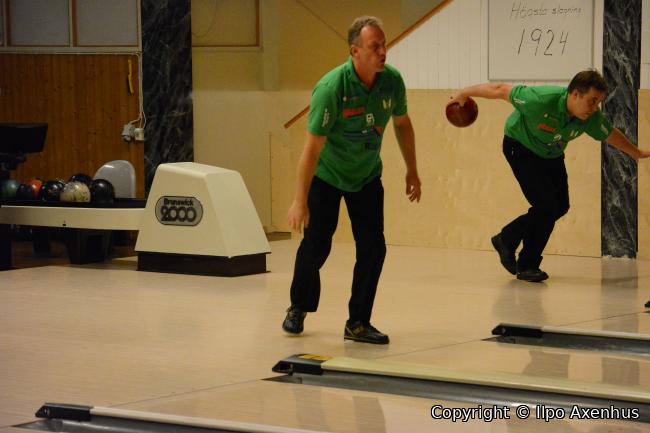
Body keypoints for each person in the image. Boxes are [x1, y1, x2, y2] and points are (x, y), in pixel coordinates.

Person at [282, 16, 421, 344]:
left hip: (367, 176)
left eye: (384, 45)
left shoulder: (392, 82)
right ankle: (298, 306)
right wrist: (300, 201)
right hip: (327, 176)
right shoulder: (332, 88)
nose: (383, 52)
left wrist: (412, 170)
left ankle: (358, 323)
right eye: (374, 46)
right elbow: (311, 149)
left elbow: (402, 124)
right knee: (317, 245)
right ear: (355, 51)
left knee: (374, 249)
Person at [448, 70, 650, 282]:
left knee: (559, 206)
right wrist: (463, 93)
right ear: (575, 94)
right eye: (592, 101)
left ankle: (507, 240)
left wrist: (635, 153)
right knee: (546, 205)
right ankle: (526, 263)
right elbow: (499, 90)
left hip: (551, 153)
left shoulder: (590, 118)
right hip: (520, 146)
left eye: (598, 102)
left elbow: (609, 134)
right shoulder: (540, 100)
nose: (594, 108)